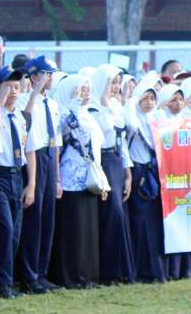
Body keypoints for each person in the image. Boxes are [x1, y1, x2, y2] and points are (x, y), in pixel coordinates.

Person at [51, 73, 105, 289]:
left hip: (88, 177)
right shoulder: (64, 113)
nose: (85, 93)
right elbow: (58, 145)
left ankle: (87, 275)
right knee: (73, 228)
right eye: (80, 89)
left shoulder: (87, 114)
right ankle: (71, 276)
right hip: (71, 176)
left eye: (87, 89)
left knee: (87, 229)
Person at [0, 66, 37, 299]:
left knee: (15, 232)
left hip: (18, 175)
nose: (14, 92)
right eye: (8, 87)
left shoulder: (22, 117)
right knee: (5, 229)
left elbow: (30, 152)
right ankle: (1, 282)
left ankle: (6, 278)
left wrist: (32, 184)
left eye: (17, 87)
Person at [17, 56, 62, 295]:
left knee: (47, 220)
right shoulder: (25, 99)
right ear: (34, 76)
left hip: (48, 157)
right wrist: (33, 91)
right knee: (34, 219)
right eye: (46, 74)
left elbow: (56, 143)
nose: (50, 78)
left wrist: (57, 178)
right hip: (31, 158)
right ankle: (28, 274)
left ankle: (42, 272)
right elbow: (26, 122)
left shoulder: (52, 104)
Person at [87, 65, 135, 285]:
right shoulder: (93, 107)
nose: (115, 87)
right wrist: (106, 102)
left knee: (119, 214)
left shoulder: (116, 105)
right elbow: (105, 130)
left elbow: (121, 138)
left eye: (117, 83)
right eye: (111, 83)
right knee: (111, 213)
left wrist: (128, 172)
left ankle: (122, 269)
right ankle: (109, 271)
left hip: (116, 161)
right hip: (102, 161)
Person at [124, 80, 166, 283]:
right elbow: (131, 125)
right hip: (138, 173)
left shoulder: (156, 120)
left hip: (153, 173)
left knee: (153, 224)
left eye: (152, 98)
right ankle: (138, 270)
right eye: (145, 98)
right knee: (138, 222)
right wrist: (131, 101)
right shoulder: (134, 121)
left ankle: (155, 270)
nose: (149, 103)